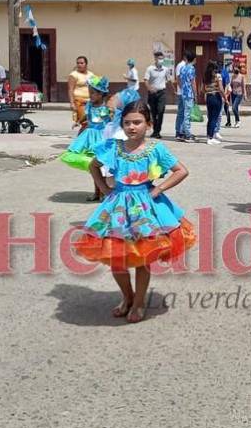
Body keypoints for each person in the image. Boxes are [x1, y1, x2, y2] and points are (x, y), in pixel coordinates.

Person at [76, 101, 196, 323]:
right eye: (127, 123)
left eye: (137, 122)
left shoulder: (156, 149)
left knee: (143, 257)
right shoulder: (113, 147)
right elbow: (94, 166)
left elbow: (181, 171)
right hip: (117, 208)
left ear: (148, 124)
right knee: (115, 257)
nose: (132, 127)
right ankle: (127, 296)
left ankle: (139, 301)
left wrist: (158, 189)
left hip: (146, 210)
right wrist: (104, 189)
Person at [59, 75, 112, 200]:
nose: (91, 96)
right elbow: (87, 117)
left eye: (93, 93)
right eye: (90, 93)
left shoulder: (106, 107)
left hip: (102, 138)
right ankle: (96, 193)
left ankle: (104, 192)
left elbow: (110, 120)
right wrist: (78, 122)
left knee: (102, 167)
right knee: (92, 166)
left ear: (101, 94)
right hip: (89, 137)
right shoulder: (89, 105)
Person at [143, 51, 172, 138]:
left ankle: (158, 131)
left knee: (160, 111)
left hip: (161, 93)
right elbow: (145, 80)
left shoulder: (165, 69)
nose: (161, 60)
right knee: (153, 113)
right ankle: (155, 131)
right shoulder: (150, 69)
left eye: (162, 58)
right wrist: (150, 89)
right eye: (159, 58)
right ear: (155, 59)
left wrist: (174, 90)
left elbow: (169, 80)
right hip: (152, 94)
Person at [174, 52, 197, 142]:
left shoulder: (183, 68)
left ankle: (183, 131)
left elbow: (179, 79)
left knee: (184, 113)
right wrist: (195, 94)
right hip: (189, 93)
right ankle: (187, 134)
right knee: (187, 114)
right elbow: (193, 82)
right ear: (193, 59)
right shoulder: (191, 68)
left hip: (183, 93)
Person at [203, 60, 226, 144]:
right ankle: (211, 137)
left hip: (209, 97)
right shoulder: (218, 76)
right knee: (214, 118)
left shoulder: (206, 76)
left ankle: (208, 136)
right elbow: (221, 88)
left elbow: (203, 89)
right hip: (216, 97)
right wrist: (225, 98)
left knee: (210, 118)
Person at [68, 56, 93, 129]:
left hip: (90, 101)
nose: (79, 65)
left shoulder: (91, 75)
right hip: (79, 101)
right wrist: (72, 103)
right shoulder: (73, 75)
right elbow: (70, 89)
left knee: (91, 121)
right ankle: (81, 139)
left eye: (81, 63)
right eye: (78, 63)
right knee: (84, 122)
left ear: (86, 64)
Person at [225, 62, 246, 128]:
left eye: (237, 68)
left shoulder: (241, 76)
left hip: (239, 94)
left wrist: (245, 94)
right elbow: (230, 84)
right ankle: (237, 122)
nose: (235, 69)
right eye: (234, 68)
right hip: (233, 94)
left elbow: (243, 86)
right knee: (235, 108)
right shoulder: (233, 76)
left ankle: (238, 120)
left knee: (233, 107)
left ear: (239, 69)